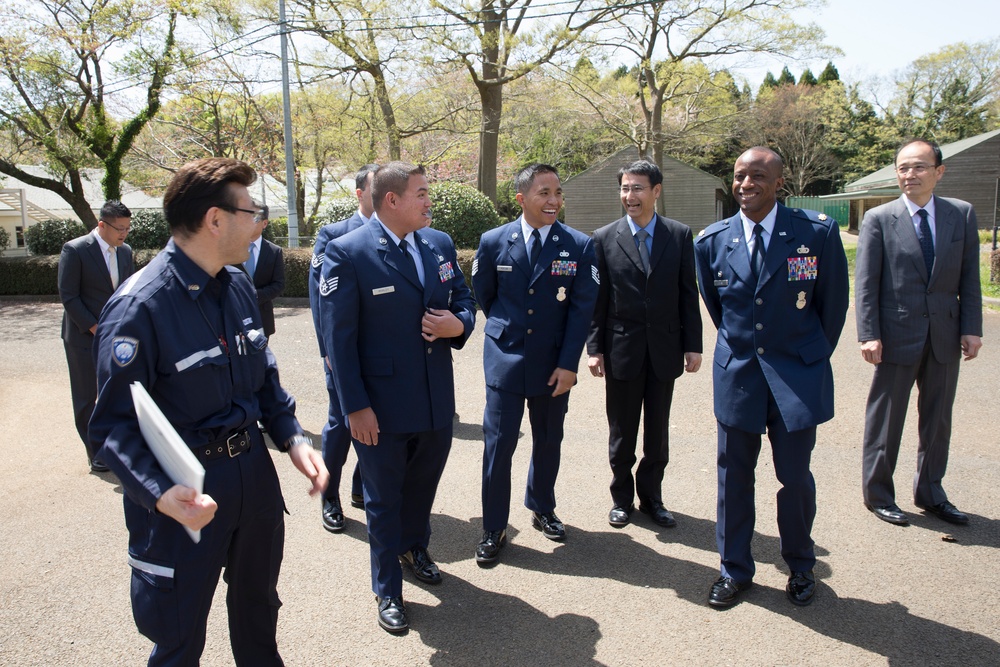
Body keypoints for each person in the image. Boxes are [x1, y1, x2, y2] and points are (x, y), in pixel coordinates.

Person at [88, 158, 329, 665]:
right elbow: (112, 425)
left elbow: (264, 378)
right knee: (179, 636)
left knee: (259, 612)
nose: (259, 221)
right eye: (252, 210)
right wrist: (161, 494)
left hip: (252, 480)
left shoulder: (237, 283)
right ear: (215, 220)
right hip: (186, 493)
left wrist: (293, 438)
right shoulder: (140, 307)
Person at [318, 162, 475, 633]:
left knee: (421, 488)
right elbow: (338, 340)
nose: (430, 201)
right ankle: (387, 588)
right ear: (392, 200)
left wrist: (459, 324)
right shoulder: (347, 253)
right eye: (422, 193)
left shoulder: (439, 243)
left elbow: (464, 297)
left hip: (433, 400)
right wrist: (354, 407)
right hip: (379, 408)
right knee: (383, 500)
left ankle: (415, 548)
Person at [693, 147, 848, 609]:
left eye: (758, 176)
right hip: (738, 376)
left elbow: (832, 307)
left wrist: (807, 357)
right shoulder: (712, 241)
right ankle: (734, 569)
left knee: (795, 477)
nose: (746, 184)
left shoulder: (815, 233)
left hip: (796, 376)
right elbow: (719, 310)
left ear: (779, 182)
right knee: (733, 477)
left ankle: (800, 565)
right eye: (740, 176)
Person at [471, 163, 598, 565]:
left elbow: (582, 311)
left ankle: (542, 506)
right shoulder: (493, 241)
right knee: (499, 445)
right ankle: (494, 526)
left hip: (552, 364)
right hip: (505, 360)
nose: (554, 201)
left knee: (548, 439)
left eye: (558, 192)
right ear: (522, 198)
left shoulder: (578, 245)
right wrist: (508, 331)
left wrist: (569, 364)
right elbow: (485, 296)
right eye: (544, 193)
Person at [856, 138, 983, 527]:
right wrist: (868, 334)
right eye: (903, 168)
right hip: (895, 334)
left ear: (938, 172)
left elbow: (969, 277)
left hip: (945, 334)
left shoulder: (960, 215)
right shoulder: (879, 218)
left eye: (919, 167)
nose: (910, 174)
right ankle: (878, 494)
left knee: (938, 419)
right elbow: (865, 282)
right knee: (886, 418)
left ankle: (931, 492)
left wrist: (972, 328)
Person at [586, 160, 702, 529]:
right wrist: (594, 348)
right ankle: (621, 498)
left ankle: (652, 497)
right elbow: (597, 300)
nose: (629, 196)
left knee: (658, 432)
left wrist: (693, 344)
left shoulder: (680, 235)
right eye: (624, 188)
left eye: (637, 188)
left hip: (665, 349)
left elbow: (688, 293)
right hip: (622, 350)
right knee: (622, 432)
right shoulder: (603, 238)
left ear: (656, 191)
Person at [308, 164, 378, 533]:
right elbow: (321, 300)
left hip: (381, 357)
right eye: (375, 186)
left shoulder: (398, 233)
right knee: (341, 424)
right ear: (359, 194)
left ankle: (359, 487)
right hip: (342, 355)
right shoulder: (334, 235)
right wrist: (328, 352)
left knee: (379, 425)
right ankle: (329, 493)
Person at [58, 200, 134, 472]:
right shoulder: (76, 249)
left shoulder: (125, 252)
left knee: (115, 392)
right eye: (119, 228)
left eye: (127, 228)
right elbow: (69, 296)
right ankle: (96, 452)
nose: (123, 234)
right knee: (86, 396)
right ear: (102, 224)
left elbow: (127, 292)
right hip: (82, 337)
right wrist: (95, 327)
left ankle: (116, 446)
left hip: (116, 338)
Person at [243, 204, 285, 338]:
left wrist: (255, 296)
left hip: (262, 316)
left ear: (264, 223)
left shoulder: (274, 251)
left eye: (254, 218)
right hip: (235, 315)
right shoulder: (232, 248)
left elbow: (279, 284)